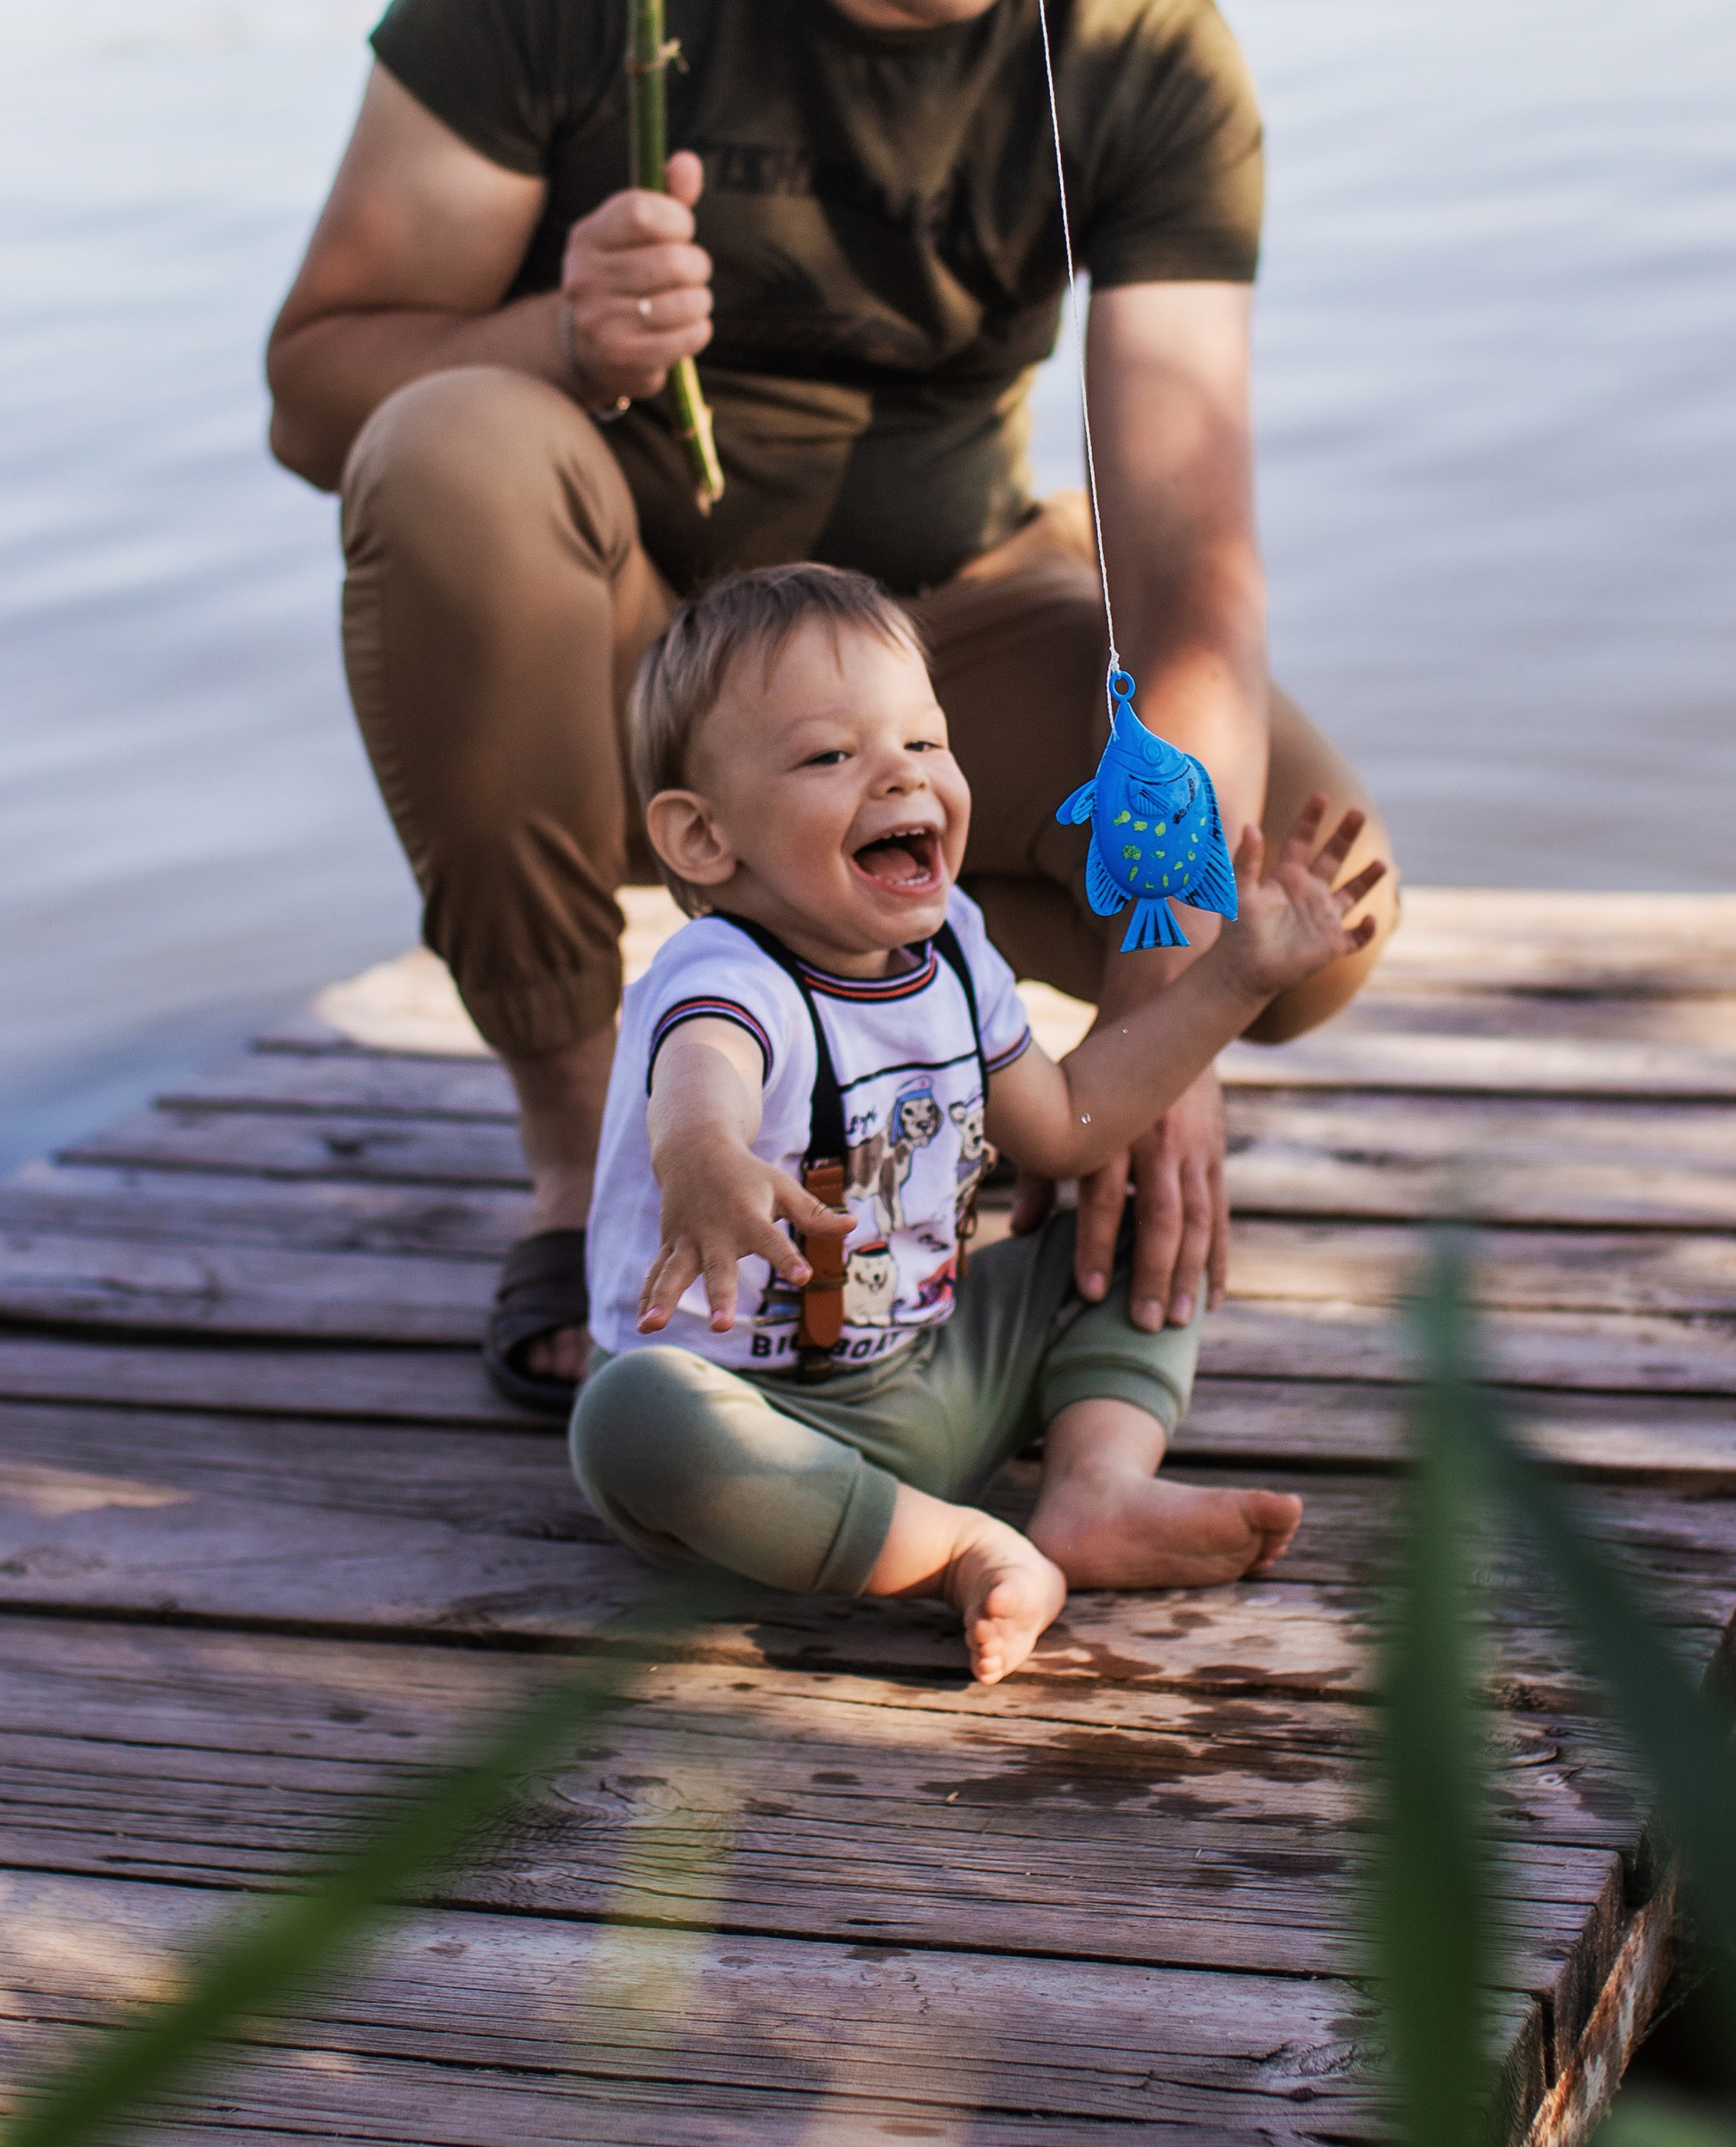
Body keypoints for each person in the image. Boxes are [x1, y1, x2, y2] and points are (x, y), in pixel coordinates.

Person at [264, 0, 1400, 1415]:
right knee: (448, 447)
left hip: (936, 632)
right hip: (634, 673)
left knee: (1311, 917)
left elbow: (1187, 560)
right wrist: (556, 332)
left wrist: (1164, 1006)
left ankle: (942, 1104)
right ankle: (578, 1148)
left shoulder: (1144, 53)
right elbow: (316, 386)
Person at [574, 562, 1384, 1683]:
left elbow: (1064, 1127)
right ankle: (956, 1548)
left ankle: (1094, 1489)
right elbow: (700, 1072)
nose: (900, 776)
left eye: (925, 742)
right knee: (628, 1418)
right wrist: (702, 1157)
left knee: (1146, 1216)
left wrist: (1234, 980)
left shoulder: (953, 948)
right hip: (763, 1429)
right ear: (705, 838)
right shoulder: (724, 975)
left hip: (933, 1369)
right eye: (830, 755)